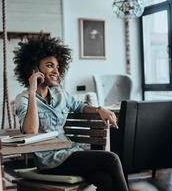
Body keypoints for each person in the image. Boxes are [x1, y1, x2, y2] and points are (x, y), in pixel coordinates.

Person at [13, 35, 129, 191]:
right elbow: (31, 130)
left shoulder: (60, 94)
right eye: (50, 66)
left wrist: (99, 109)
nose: (56, 71)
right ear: (34, 69)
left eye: (57, 67)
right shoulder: (24, 99)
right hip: (49, 161)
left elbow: (79, 106)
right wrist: (32, 91)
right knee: (112, 159)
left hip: (70, 152)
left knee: (104, 179)